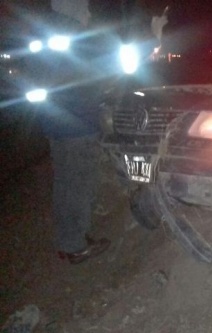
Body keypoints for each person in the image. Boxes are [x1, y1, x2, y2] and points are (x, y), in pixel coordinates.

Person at [33, 1, 110, 264]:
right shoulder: (74, 36)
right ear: (73, 9)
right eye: (85, 8)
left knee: (65, 184)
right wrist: (152, 39)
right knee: (79, 185)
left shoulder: (46, 32)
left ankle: (68, 241)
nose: (89, 14)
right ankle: (75, 246)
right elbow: (103, 70)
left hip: (57, 125)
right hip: (77, 126)